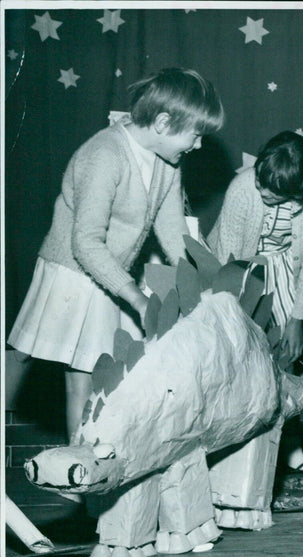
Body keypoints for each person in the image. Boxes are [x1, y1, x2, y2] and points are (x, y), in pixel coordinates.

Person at [8, 67, 224, 443]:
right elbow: (86, 244)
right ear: (162, 122)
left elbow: (173, 234)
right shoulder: (105, 153)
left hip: (110, 276)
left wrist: (207, 284)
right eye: (196, 134)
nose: (198, 145)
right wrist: (138, 299)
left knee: (92, 378)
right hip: (73, 273)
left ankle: (82, 472)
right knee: (42, 363)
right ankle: (77, 469)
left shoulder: (166, 161)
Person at [207, 130, 303, 472]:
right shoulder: (243, 188)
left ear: (299, 190)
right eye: (260, 181)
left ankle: (289, 449)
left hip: (284, 270)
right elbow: (231, 260)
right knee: (236, 359)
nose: (260, 190)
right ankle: (226, 456)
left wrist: (296, 318)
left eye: (270, 191)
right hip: (237, 270)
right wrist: (237, 318)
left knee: (284, 360)